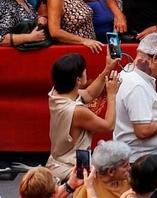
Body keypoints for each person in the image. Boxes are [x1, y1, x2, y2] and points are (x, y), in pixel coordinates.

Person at [47, 53, 120, 181]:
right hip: (72, 171)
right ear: (78, 80)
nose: (87, 74)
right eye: (84, 72)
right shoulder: (78, 111)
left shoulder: (56, 94)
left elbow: (88, 94)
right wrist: (111, 95)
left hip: (58, 164)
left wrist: (107, 69)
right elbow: (109, 126)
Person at [112, 35, 157, 161]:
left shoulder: (132, 74)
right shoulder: (137, 85)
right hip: (143, 162)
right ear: (155, 57)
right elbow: (143, 131)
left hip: (145, 158)